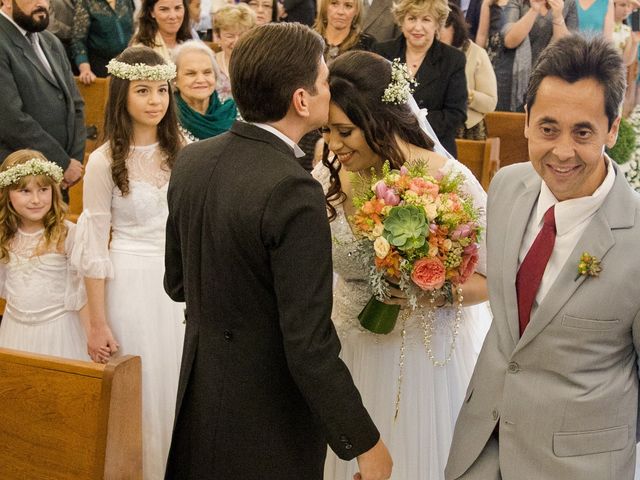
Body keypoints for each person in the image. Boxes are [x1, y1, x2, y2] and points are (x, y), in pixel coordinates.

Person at [163, 23, 392, 480]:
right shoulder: (292, 189)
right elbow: (308, 344)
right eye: (324, 81)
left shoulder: (193, 160)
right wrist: (364, 442)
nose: (331, 90)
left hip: (202, 392)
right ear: (301, 100)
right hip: (266, 412)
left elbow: (177, 283)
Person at [446, 34, 640, 479]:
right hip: (480, 449)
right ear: (527, 120)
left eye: (584, 132)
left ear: (613, 129)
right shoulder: (509, 187)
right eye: (549, 128)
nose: (563, 151)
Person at [314, 50, 491, 480]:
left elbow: (492, 278)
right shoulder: (329, 179)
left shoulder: (446, 179)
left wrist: (434, 291)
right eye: (327, 131)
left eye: (345, 131)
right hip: (347, 351)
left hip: (420, 360)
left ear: (380, 119)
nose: (334, 144)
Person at [70, 46, 185, 479]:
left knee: (177, 385)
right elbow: (94, 246)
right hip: (130, 285)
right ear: (123, 95)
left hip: (177, 286)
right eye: (143, 91)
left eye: (161, 90)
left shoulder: (184, 150)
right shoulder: (102, 162)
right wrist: (97, 323)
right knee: (140, 391)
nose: (155, 100)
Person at [0, 149, 88, 361]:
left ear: (54, 191)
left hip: (59, 332)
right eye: (25, 191)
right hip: (14, 331)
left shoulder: (67, 234)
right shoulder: (4, 236)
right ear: (7, 194)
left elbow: (83, 292)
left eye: (43, 189)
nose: (36, 200)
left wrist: (93, 334)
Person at [0, 0, 84, 194]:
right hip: (19, 181)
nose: (41, 3)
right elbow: (11, 119)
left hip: (59, 180)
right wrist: (61, 163)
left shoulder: (50, 41)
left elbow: (76, 104)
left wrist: (74, 161)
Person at [374, 0, 467, 157]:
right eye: (412, 18)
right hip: (389, 148)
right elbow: (373, 102)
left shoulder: (453, 59)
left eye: (426, 19)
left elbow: (456, 114)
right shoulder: (381, 52)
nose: (418, 27)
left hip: (435, 149)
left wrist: (411, 125)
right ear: (402, 21)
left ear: (437, 25)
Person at [501, 0, 577, 111]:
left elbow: (568, 49)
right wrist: (534, 10)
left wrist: (558, 17)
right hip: (516, 79)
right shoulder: (518, 2)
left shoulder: (569, 3)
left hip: (551, 79)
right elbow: (510, 41)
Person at [440, 2, 496, 140]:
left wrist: (467, 94)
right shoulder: (428, 53)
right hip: (435, 124)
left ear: (455, 27)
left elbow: (490, 103)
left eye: (442, 26)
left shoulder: (476, 53)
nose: (436, 33)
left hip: (467, 130)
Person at [173, 40, 237, 141]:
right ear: (174, 79)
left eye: (207, 72)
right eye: (191, 73)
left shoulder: (233, 112)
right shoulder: (168, 118)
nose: (201, 80)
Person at [72, 0, 135, 82]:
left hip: (127, 62)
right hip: (100, 66)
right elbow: (78, 40)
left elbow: (132, 30)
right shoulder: (85, 2)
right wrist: (85, 69)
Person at [211, 3, 255, 102]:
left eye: (242, 35)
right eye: (230, 36)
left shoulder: (258, 64)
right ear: (218, 37)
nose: (237, 41)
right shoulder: (209, 63)